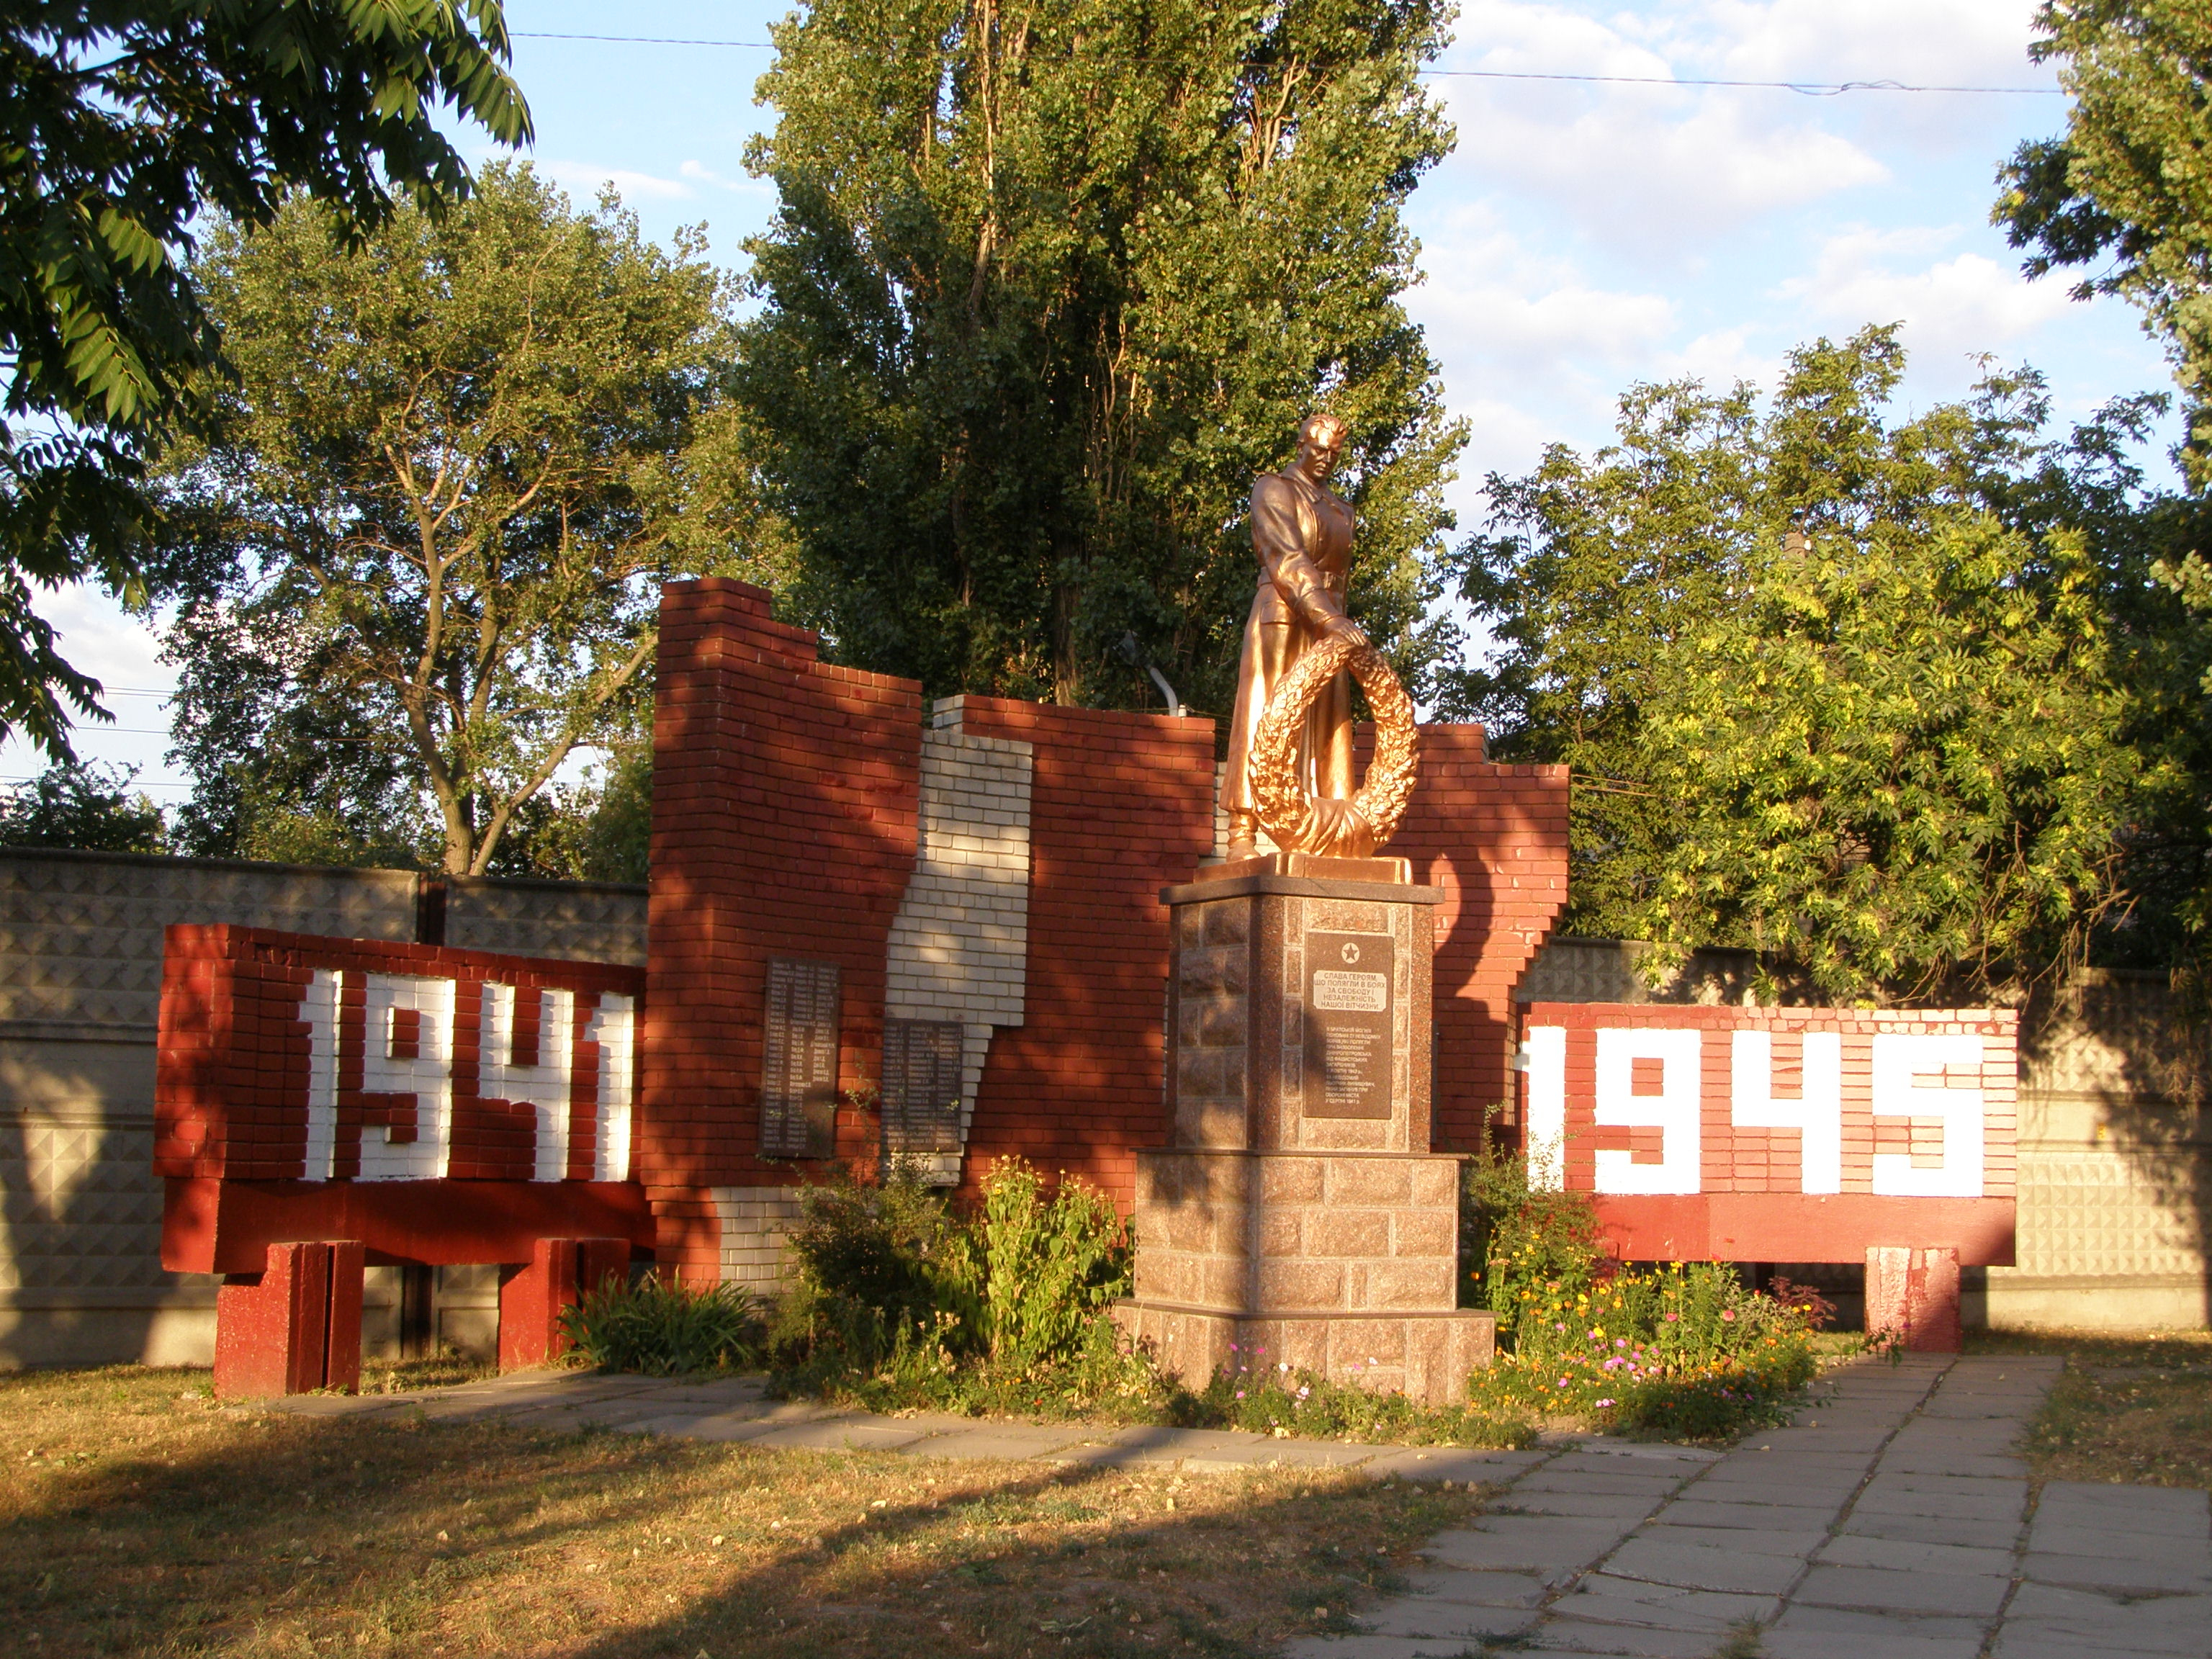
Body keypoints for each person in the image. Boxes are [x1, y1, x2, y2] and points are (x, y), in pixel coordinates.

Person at [1222, 412, 1368, 858]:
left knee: (1333, 721)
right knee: (1265, 714)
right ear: (1302, 445)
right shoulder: (1274, 490)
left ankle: (1341, 830)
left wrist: (1334, 621)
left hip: (1330, 621)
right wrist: (1326, 617)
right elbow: (1286, 558)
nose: (1325, 459)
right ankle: (1241, 831)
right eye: (1318, 449)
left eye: (1334, 454)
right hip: (1283, 614)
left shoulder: (1343, 510)